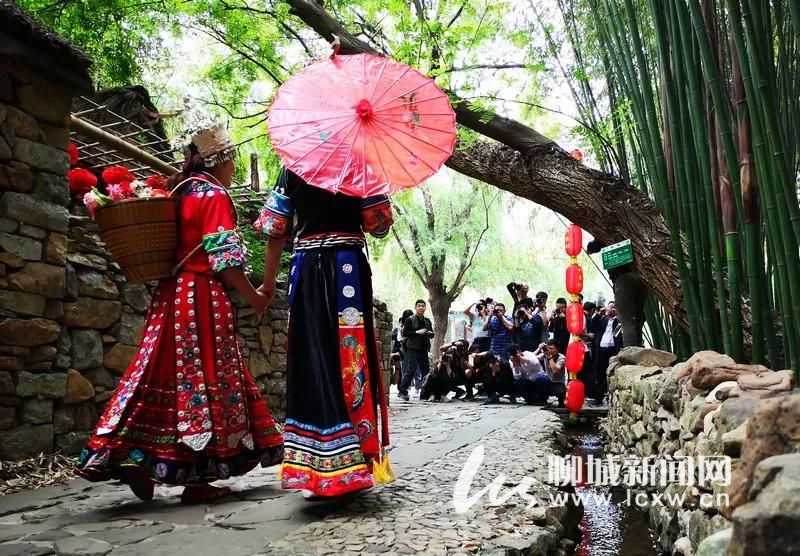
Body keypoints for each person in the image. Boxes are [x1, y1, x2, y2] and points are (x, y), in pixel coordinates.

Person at [75, 124, 284, 504]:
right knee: (203, 379)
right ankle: (197, 477)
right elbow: (223, 258)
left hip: (171, 296)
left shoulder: (180, 190)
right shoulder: (214, 195)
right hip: (202, 297)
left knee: (158, 372)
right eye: (233, 159)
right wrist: (254, 296)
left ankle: (131, 454)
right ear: (221, 161)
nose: (234, 168)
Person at [256, 167, 393, 498]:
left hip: (307, 270)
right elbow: (378, 225)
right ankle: (355, 458)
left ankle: (313, 464)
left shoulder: (293, 165)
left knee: (310, 359)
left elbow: (275, 229)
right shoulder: (361, 162)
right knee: (350, 359)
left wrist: (268, 282)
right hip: (347, 270)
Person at [586, 239, 647, 347]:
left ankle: (631, 352)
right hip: (641, 279)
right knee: (637, 317)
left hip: (623, 279)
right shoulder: (628, 232)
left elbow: (592, 247)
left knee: (627, 320)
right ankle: (639, 347)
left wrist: (589, 249)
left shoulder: (606, 230)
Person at [398, 300, 434, 402]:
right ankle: (403, 391)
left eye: (423, 306)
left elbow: (432, 334)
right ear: (415, 307)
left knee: (426, 371)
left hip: (423, 348)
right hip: (412, 348)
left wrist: (428, 333)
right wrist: (417, 332)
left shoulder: (427, 321)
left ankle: (425, 392)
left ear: (425, 308)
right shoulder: (410, 320)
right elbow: (405, 333)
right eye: (419, 306)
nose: (421, 308)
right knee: (411, 369)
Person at [593, 301, 622, 404]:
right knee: (599, 373)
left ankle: (610, 397)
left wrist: (619, 314)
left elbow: (620, 332)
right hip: (601, 349)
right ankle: (598, 397)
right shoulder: (603, 319)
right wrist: (598, 314)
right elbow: (593, 325)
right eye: (609, 307)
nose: (610, 309)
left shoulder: (619, 320)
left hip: (612, 350)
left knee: (610, 373)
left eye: (613, 307)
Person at [536, 340, 567, 407]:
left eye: (551, 349)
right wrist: (539, 348)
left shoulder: (562, 358)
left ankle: (561, 403)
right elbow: (532, 359)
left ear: (557, 349)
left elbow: (555, 370)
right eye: (548, 348)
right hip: (547, 381)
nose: (549, 350)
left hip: (558, 383)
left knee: (561, 392)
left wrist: (550, 358)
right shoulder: (545, 354)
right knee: (540, 379)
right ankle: (542, 400)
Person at [390, 309, 413, 386]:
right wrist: (399, 331)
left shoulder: (413, 327)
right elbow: (392, 337)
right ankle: (402, 387)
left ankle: (405, 386)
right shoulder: (397, 329)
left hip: (409, 349)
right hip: (399, 351)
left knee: (407, 369)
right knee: (400, 370)